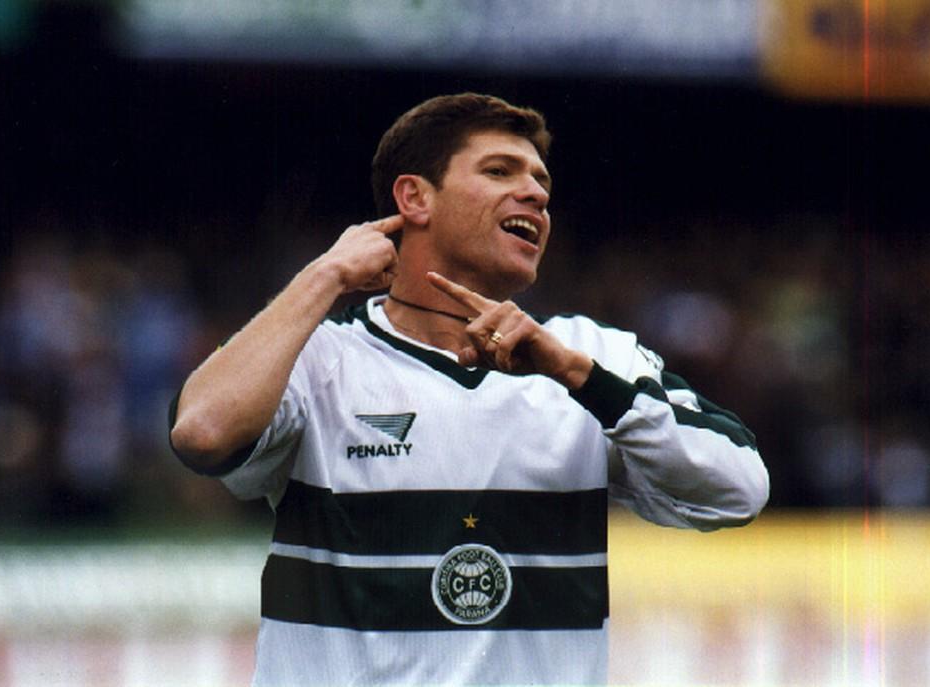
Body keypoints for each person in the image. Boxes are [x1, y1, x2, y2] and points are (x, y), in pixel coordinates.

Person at [169, 93, 769, 686]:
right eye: (499, 171)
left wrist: (576, 377)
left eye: (541, 182)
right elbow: (202, 431)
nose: (535, 194)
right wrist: (324, 276)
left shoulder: (592, 356)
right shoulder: (318, 356)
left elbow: (740, 490)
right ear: (414, 197)